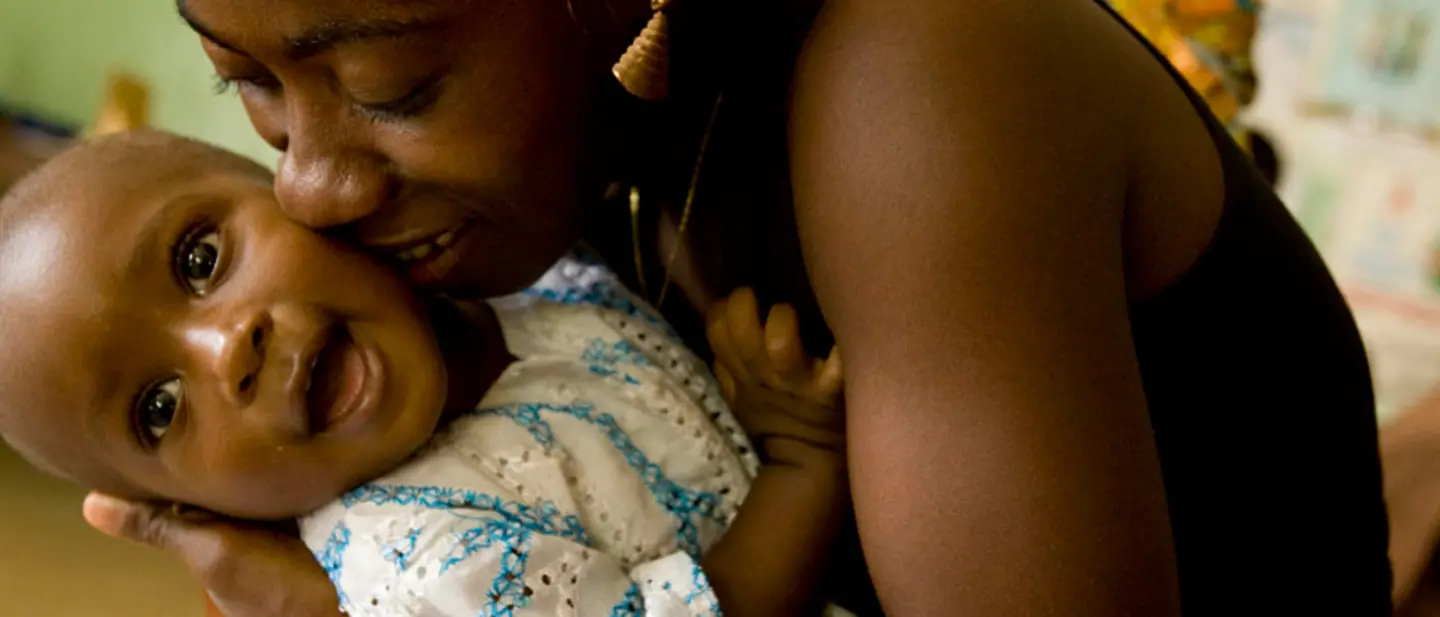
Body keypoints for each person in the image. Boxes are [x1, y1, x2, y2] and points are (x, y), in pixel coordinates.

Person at [84, 0, 1390, 615]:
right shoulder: (569, 178)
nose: (310, 188)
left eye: (390, 86)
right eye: (244, 88)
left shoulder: (921, 81)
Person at [1, 130, 854, 616]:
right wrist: (798, 456)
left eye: (200, 256)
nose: (230, 349)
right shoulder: (426, 565)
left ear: (294, 186)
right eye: (157, 407)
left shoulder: (497, 271)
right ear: (195, 510)